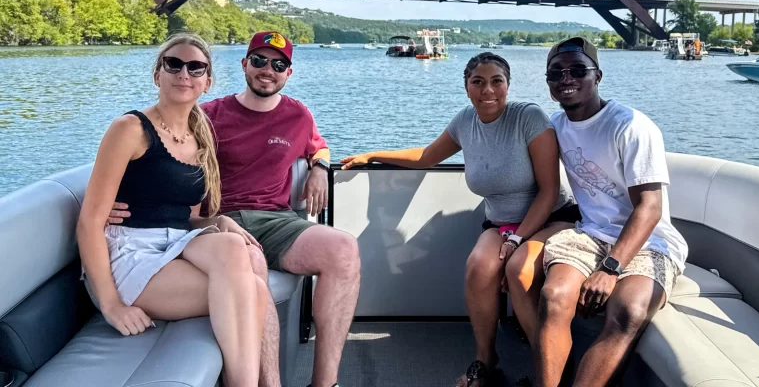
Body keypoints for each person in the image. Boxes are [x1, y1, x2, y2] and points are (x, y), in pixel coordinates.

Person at [110, 31, 360, 387]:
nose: (267, 70)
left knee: (345, 251)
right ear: (244, 65)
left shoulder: (298, 115)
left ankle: (325, 383)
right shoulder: (207, 116)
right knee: (249, 262)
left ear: (288, 73)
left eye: (278, 64)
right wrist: (115, 203)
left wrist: (320, 167)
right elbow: (156, 156)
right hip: (217, 222)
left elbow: (317, 145)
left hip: (276, 219)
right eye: (258, 60)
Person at [340, 52, 580, 387]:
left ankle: (551, 371)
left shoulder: (528, 118)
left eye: (497, 81)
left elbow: (549, 191)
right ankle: (486, 361)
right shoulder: (465, 122)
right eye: (478, 82)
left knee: (519, 270)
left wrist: (516, 240)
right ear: (466, 87)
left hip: (552, 217)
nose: (488, 90)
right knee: (478, 268)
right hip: (501, 223)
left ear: (508, 85)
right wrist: (372, 154)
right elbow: (427, 155)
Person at [78, 33, 268, 387]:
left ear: (207, 82)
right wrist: (111, 305)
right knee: (253, 292)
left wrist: (218, 220)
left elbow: (186, 217)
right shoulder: (130, 129)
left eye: (196, 67)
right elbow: (89, 221)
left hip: (174, 246)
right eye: (174, 64)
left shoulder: (201, 135)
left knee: (230, 244)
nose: (185, 73)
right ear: (157, 75)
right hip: (130, 252)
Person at [535, 37, 688, 387]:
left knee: (628, 311)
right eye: (556, 73)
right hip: (591, 233)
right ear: (548, 83)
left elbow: (649, 208)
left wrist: (610, 268)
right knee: (554, 297)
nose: (566, 78)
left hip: (650, 241)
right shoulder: (555, 127)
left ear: (597, 75)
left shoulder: (630, 126)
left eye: (577, 70)